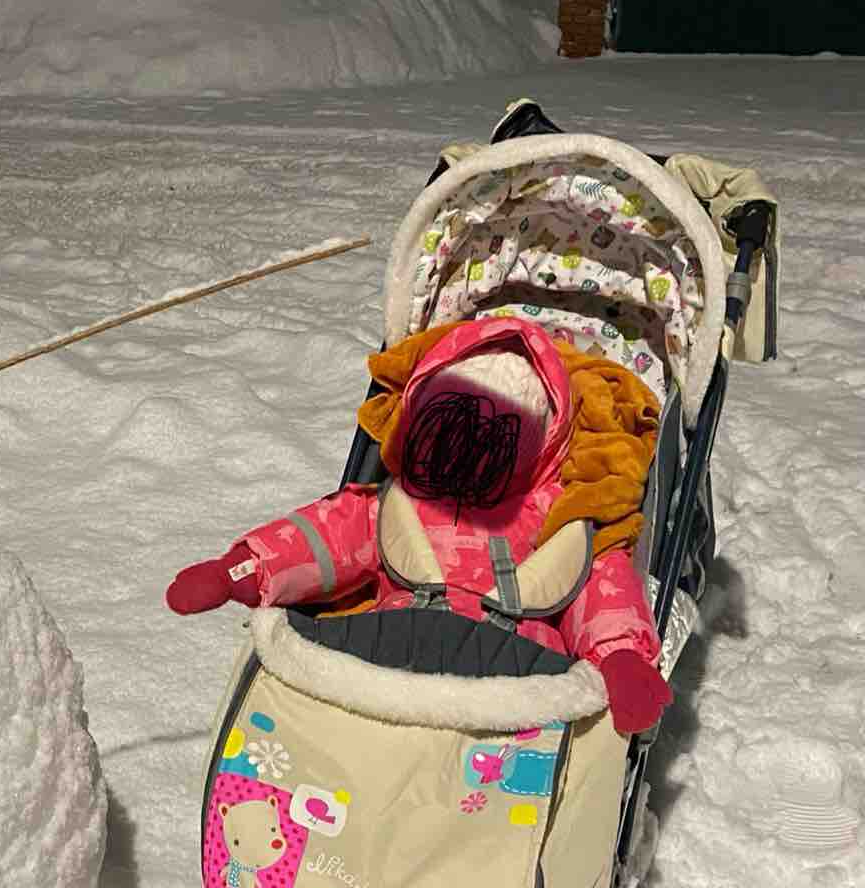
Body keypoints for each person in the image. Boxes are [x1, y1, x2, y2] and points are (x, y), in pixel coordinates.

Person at [166, 315, 672, 737]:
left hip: (515, 688)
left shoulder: (557, 515)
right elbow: (325, 538)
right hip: (390, 661)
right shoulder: (395, 500)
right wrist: (242, 570)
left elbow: (600, 588)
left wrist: (620, 657)